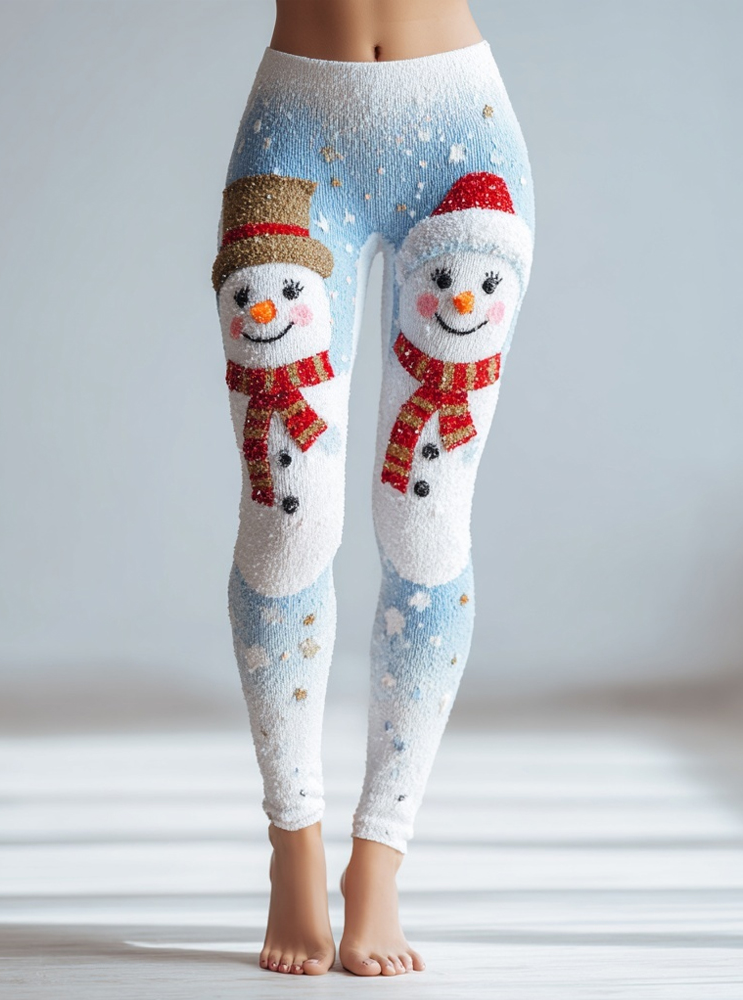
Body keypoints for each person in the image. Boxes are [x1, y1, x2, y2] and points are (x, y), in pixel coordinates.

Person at [212, 0, 535, 977]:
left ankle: (380, 859)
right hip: (294, 134)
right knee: (286, 523)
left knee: (425, 523)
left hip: (465, 135)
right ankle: (294, 846)